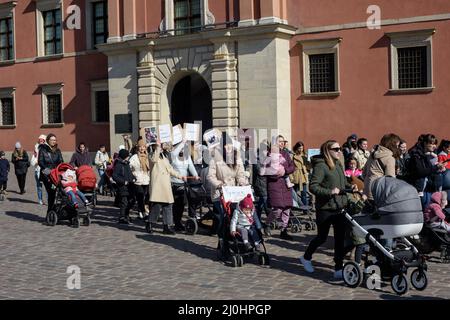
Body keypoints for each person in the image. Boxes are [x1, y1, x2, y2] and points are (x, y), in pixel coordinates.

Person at [299, 140, 355, 279]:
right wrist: (330, 192)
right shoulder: (321, 166)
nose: (339, 151)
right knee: (322, 237)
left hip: (340, 206)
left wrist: (350, 185)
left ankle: (338, 268)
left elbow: (341, 182)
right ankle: (306, 257)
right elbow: (313, 186)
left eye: (340, 148)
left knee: (340, 239)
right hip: (325, 208)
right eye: (336, 149)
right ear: (327, 150)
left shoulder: (338, 164)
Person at [207, 131, 247, 237]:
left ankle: (231, 237)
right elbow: (210, 176)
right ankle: (222, 240)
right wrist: (219, 184)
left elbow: (240, 173)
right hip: (219, 192)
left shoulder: (236, 156)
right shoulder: (215, 157)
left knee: (234, 216)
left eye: (229, 145)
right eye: (225, 145)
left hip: (233, 193)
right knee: (223, 217)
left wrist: (242, 182)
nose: (228, 147)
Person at [148, 140, 187, 234]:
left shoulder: (164, 156)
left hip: (165, 185)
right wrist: (157, 147)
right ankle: (149, 223)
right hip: (158, 185)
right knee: (157, 207)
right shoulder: (151, 155)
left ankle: (167, 226)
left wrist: (180, 176)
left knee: (168, 206)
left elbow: (170, 169)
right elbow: (154, 159)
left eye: (161, 146)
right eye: (159, 146)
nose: (161, 147)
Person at [262, 135, 295, 240]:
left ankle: (283, 230)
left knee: (287, 209)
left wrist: (285, 171)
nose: (282, 143)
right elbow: (265, 171)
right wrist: (276, 173)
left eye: (283, 141)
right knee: (278, 209)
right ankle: (267, 224)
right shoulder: (268, 155)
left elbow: (292, 166)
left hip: (285, 185)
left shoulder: (286, 154)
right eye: (280, 141)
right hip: (274, 184)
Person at [408, 134, 446, 208]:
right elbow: (421, 172)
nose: (434, 146)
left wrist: (439, 169)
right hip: (419, 189)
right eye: (432, 144)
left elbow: (430, 170)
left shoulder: (430, 154)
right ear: (425, 143)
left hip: (429, 187)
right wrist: (436, 167)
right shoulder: (416, 154)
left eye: (435, 144)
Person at [170, 139, 200, 231]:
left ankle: (178, 223)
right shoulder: (173, 156)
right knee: (176, 205)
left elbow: (191, 166)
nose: (182, 151)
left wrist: (195, 175)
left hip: (183, 183)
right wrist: (182, 143)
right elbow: (174, 153)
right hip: (174, 183)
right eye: (181, 149)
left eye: (184, 149)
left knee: (182, 204)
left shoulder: (187, 157)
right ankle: (176, 223)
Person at [362, 133, 401, 201]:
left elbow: (364, 173)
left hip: (367, 191)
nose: (397, 148)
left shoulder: (373, 154)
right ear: (392, 145)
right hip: (379, 192)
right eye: (397, 146)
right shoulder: (389, 158)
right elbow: (390, 182)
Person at [38, 134, 64, 213]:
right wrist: (48, 170)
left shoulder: (58, 150)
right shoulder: (43, 150)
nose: (54, 141)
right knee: (52, 192)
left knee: (62, 192)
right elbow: (40, 162)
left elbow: (61, 161)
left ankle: (59, 211)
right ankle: (50, 212)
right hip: (47, 176)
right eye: (52, 140)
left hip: (56, 174)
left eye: (55, 140)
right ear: (48, 140)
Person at [112, 149, 136, 224]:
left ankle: (126, 214)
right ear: (124, 156)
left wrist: (134, 178)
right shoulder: (119, 165)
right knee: (124, 202)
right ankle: (122, 217)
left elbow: (130, 174)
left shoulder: (127, 164)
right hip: (122, 187)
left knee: (132, 201)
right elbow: (114, 176)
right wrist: (123, 182)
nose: (128, 157)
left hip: (130, 186)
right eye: (127, 156)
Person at [129, 139, 150, 219]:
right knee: (140, 196)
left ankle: (144, 209)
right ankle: (141, 211)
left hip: (146, 180)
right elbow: (129, 166)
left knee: (146, 197)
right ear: (138, 148)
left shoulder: (147, 156)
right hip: (138, 180)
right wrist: (133, 174)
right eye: (140, 147)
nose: (142, 149)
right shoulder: (134, 157)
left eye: (143, 147)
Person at [290, 141, 310, 208]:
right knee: (294, 193)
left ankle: (304, 208)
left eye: (302, 148)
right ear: (296, 148)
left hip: (303, 176)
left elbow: (308, 166)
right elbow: (290, 166)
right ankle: (295, 207)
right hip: (295, 176)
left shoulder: (305, 155)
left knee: (304, 193)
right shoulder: (292, 156)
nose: (301, 150)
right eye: (299, 148)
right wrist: (291, 177)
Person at [30, 135, 47, 204]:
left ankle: (49, 200)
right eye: (40, 140)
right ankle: (40, 200)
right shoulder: (36, 149)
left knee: (47, 186)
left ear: (44, 141)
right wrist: (35, 162)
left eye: (42, 140)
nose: (41, 141)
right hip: (38, 169)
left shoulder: (47, 149)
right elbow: (32, 160)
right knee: (39, 186)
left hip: (45, 170)